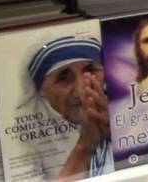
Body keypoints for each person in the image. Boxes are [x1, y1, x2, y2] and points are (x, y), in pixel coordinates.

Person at [28, 35, 113, 180]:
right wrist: (85, 146)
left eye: (91, 70)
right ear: (41, 90)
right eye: (64, 77)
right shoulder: (28, 148)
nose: (80, 92)